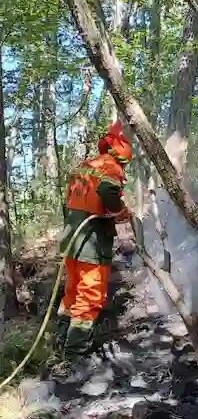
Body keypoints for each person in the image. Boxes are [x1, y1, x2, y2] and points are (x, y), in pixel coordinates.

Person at [55, 120, 133, 363]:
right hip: (91, 244)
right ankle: (74, 357)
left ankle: (60, 345)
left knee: (71, 294)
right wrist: (119, 212)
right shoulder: (111, 168)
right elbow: (108, 192)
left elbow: (76, 199)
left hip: (71, 242)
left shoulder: (86, 165)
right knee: (89, 297)